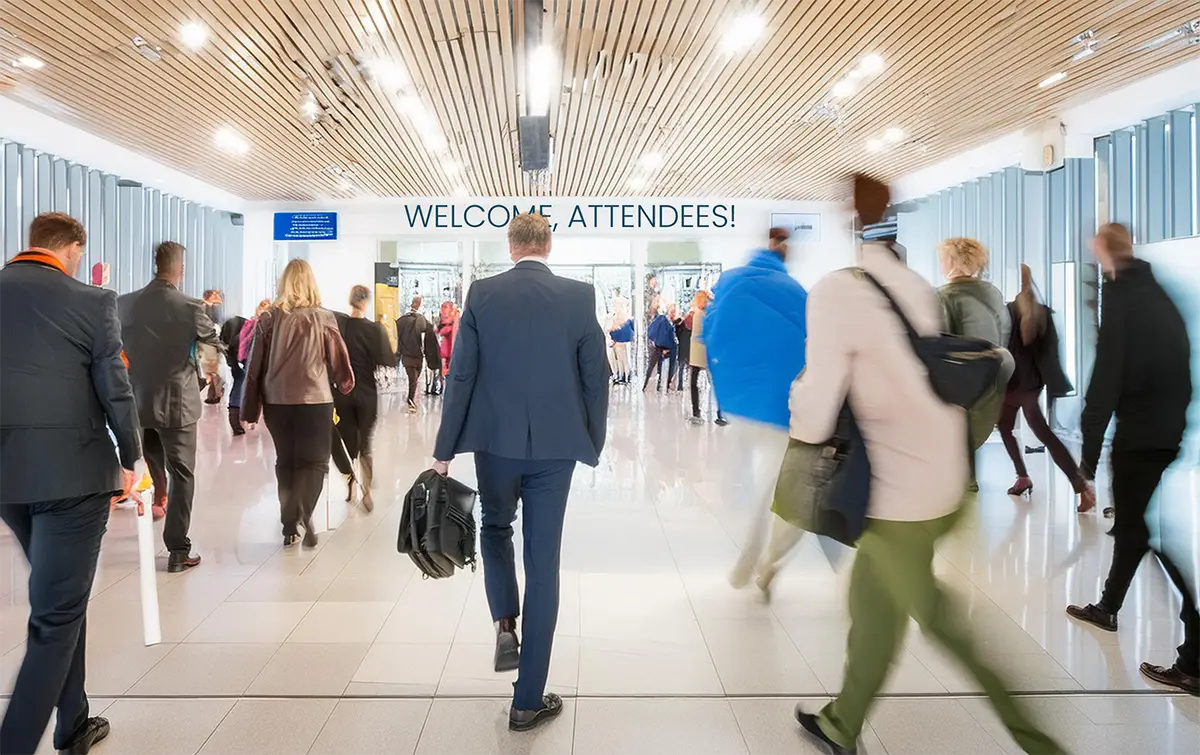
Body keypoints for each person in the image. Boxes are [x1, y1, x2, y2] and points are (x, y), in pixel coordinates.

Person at [791, 175, 1064, 755]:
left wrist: (797, 415)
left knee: (942, 625)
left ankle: (1037, 740)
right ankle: (842, 722)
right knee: (871, 604)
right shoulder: (919, 287)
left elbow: (816, 409)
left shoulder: (838, 291)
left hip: (898, 492)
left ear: (850, 220)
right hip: (945, 474)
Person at [432, 213, 609, 732]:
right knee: (544, 561)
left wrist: (444, 450)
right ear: (548, 246)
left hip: (496, 445)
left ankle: (504, 621)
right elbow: (595, 377)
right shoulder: (579, 296)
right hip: (556, 450)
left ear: (510, 246)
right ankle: (527, 700)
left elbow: (461, 373)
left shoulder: (481, 295)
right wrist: (590, 441)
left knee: (494, 529)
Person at [0, 212, 141, 755]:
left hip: (8, 478)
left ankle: (74, 720)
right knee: (55, 616)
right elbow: (116, 387)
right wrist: (132, 456)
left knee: (61, 591)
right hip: (75, 476)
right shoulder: (91, 301)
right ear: (73, 248)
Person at [1066, 222, 1198, 696]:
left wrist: (1087, 458)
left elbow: (1105, 381)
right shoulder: (1154, 292)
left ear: (1104, 251)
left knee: (1143, 532)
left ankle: (1196, 652)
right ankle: (1108, 607)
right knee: (1135, 528)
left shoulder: (1124, 300)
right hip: (1162, 429)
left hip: (1141, 434)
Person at [704, 227, 807, 599]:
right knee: (777, 488)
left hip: (740, 404)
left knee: (748, 477)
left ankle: (747, 559)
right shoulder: (796, 291)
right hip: (783, 406)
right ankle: (768, 561)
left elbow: (708, 332)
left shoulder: (730, 283)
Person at [119, 241, 219, 573]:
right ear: (181, 268)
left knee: (151, 454)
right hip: (178, 402)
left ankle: (158, 495)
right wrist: (211, 376)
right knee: (184, 472)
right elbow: (213, 348)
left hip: (138, 399)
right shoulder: (190, 306)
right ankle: (178, 548)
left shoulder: (125, 304)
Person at [242, 259, 354, 548]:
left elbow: (254, 367)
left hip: (277, 402)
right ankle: (305, 508)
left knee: (286, 462)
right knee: (315, 462)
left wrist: (249, 409)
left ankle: (289, 524)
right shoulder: (324, 317)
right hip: (315, 400)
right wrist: (345, 383)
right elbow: (339, 358)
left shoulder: (268, 319)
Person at [1000, 264, 1095, 511]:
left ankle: (1076, 485)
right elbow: (1051, 352)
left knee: (1009, 428)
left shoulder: (1008, 312)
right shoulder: (1043, 313)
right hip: (1031, 384)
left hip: (1012, 382)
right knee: (1039, 433)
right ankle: (1072, 484)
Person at [937, 237, 1011, 488]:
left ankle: (960, 480)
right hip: (994, 373)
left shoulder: (944, 296)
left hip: (958, 376)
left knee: (956, 429)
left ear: (951, 261)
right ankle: (967, 478)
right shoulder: (993, 293)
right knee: (972, 428)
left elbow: (940, 338)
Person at [332, 285, 394, 512]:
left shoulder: (339, 326)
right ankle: (366, 490)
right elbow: (386, 360)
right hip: (366, 392)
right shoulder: (374, 330)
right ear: (366, 302)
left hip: (343, 392)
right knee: (364, 441)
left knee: (347, 441)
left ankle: (350, 479)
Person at [687, 290, 726, 426]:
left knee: (694, 382)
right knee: (715, 382)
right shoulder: (708, 314)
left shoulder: (697, 313)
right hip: (706, 351)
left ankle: (696, 412)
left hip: (697, 350)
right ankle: (721, 413)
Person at [395, 295, 435, 412]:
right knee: (414, 378)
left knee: (413, 378)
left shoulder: (401, 320)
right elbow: (429, 337)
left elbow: (396, 338)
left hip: (407, 355)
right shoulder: (422, 320)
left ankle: (411, 399)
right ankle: (410, 399)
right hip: (418, 355)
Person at [220, 309, 249, 436]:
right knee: (241, 382)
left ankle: (235, 420)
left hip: (236, 361)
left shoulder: (228, 337)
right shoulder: (245, 333)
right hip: (243, 360)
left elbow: (229, 357)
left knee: (238, 382)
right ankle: (239, 419)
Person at [642, 298, 678, 392]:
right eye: (672, 311)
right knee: (655, 366)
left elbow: (651, 330)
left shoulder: (668, 321)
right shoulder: (663, 320)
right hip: (660, 347)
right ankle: (655, 385)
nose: (673, 313)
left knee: (656, 366)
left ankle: (658, 385)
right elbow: (653, 331)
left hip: (662, 347)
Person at [200, 289, 225, 404]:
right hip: (211, 341)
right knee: (211, 368)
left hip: (210, 341)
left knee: (212, 368)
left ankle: (215, 393)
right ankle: (215, 392)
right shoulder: (207, 307)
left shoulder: (210, 307)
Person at [608, 312, 634, 384]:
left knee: (622, 359)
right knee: (621, 359)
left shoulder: (622, 320)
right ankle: (623, 376)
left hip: (620, 342)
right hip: (620, 342)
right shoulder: (625, 319)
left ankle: (624, 376)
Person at [674, 303, 691, 391]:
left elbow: (677, 333)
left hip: (682, 350)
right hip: (688, 350)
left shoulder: (680, 327)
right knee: (688, 368)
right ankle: (688, 384)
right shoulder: (690, 329)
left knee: (681, 368)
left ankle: (680, 385)